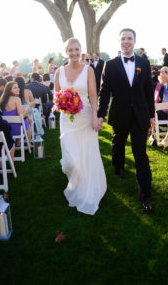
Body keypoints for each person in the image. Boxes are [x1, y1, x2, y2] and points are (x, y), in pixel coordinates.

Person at [98, 28, 154, 212]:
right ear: (119, 42)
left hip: (140, 114)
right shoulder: (110, 64)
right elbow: (104, 91)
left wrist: (151, 115)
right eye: (123, 39)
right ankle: (119, 166)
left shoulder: (144, 63)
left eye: (129, 38)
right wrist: (100, 113)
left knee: (140, 155)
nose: (126, 41)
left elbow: (148, 91)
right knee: (118, 142)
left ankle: (145, 196)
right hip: (119, 112)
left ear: (135, 41)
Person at [54, 37, 106, 215]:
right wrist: (61, 103)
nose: (74, 53)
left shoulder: (88, 70)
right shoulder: (59, 72)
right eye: (70, 50)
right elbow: (56, 95)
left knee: (85, 153)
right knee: (70, 158)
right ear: (66, 52)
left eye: (77, 49)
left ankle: (85, 188)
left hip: (85, 117)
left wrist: (94, 116)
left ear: (81, 51)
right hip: (66, 120)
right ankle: (75, 179)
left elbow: (93, 95)